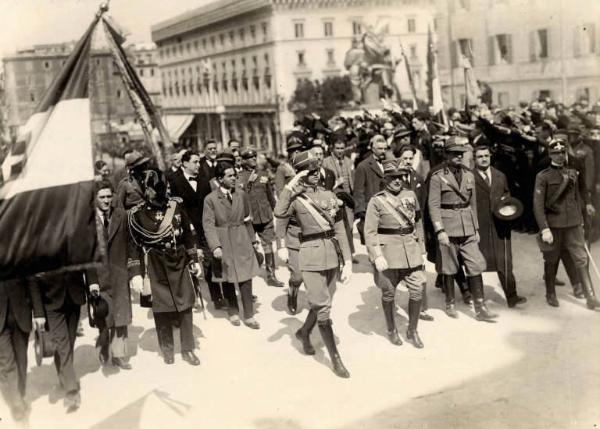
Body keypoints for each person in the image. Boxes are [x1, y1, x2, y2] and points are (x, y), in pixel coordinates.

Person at [274, 150, 353, 378]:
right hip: (310, 256)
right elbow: (279, 213)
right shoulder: (295, 199)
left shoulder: (329, 195)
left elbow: (339, 229)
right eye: (308, 171)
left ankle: (303, 332)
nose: (315, 174)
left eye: (316, 169)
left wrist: (347, 261)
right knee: (323, 307)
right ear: (299, 174)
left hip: (332, 255)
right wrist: (291, 186)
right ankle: (336, 359)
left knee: (323, 302)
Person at [128, 168, 201, 366]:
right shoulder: (137, 214)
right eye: (152, 190)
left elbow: (187, 234)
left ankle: (188, 349)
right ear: (146, 190)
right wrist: (135, 273)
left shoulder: (176, 206)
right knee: (161, 308)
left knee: (186, 306)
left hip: (177, 259)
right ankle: (167, 349)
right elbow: (134, 246)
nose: (157, 194)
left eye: (160, 189)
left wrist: (193, 258)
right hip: (154, 263)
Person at [428, 137, 498, 322]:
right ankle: (450, 302)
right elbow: (433, 206)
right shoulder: (437, 177)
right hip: (448, 226)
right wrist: (439, 230)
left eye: (461, 153)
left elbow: (472, 203)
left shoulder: (469, 175)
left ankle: (480, 307)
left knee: (475, 264)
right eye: (454, 153)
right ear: (446, 154)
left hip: (467, 226)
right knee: (449, 266)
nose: (459, 156)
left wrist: (475, 227)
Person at [364, 159, 426, 348]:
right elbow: (370, 231)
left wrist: (422, 249)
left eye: (400, 177)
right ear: (385, 179)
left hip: (411, 250)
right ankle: (391, 329)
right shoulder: (377, 201)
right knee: (389, 293)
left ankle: (412, 330)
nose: (397, 180)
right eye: (392, 177)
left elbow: (418, 223)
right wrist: (377, 255)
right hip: (388, 253)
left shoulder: (410, 195)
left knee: (417, 290)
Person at [533, 138, 600, 309]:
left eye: (562, 152)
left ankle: (591, 297)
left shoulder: (573, 174)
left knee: (581, 259)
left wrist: (581, 220)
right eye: (555, 153)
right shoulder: (543, 176)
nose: (559, 156)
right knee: (551, 259)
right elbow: (538, 205)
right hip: (554, 226)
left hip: (573, 225)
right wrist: (544, 228)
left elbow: (577, 199)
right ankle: (550, 293)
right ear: (550, 154)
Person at [202, 160, 261, 329]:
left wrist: (253, 240)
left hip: (241, 238)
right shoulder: (210, 199)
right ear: (220, 179)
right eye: (230, 176)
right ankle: (233, 311)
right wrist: (215, 246)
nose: (234, 178)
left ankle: (249, 315)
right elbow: (208, 224)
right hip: (223, 241)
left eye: (234, 175)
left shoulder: (241, 194)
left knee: (246, 278)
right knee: (227, 278)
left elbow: (248, 219)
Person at [169, 150, 226, 310]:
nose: (198, 165)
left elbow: (210, 203)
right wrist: (186, 225)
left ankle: (217, 297)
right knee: (191, 261)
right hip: (186, 230)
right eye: (195, 162)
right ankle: (192, 296)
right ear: (185, 163)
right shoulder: (173, 181)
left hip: (205, 227)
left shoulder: (203, 179)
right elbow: (174, 207)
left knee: (209, 260)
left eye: (199, 162)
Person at [87, 181, 134, 370]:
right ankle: (103, 341)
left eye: (109, 196)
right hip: (99, 275)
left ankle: (119, 354)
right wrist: (91, 280)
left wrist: (134, 271)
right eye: (102, 197)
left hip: (119, 271)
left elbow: (131, 243)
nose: (107, 201)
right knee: (103, 314)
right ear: (95, 199)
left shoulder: (121, 215)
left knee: (121, 315)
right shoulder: (88, 220)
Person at [473, 145, 526, 308]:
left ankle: (512, 296)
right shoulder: (469, 176)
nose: (483, 158)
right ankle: (478, 298)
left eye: (486, 155)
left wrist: (507, 208)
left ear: (490, 157)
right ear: (474, 159)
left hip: (500, 226)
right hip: (479, 226)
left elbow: (507, 195)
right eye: (480, 156)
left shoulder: (500, 175)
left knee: (505, 261)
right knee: (477, 262)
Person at [31, 271, 87, 411]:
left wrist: (93, 283)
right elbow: (33, 279)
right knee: (62, 343)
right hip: (50, 300)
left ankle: (65, 379)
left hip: (74, 296)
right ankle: (72, 390)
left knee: (69, 342)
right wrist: (38, 312)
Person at [397, 145, 434, 321]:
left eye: (410, 158)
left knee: (420, 269)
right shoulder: (392, 180)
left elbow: (424, 207)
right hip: (398, 233)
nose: (407, 161)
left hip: (415, 231)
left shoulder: (418, 178)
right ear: (398, 159)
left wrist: (423, 235)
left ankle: (422, 307)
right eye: (404, 158)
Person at [238, 148, 283, 288]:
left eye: (254, 157)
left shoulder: (263, 174)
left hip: (265, 216)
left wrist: (277, 210)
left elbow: (270, 195)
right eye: (249, 158)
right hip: (249, 218)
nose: (253, 160)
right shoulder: (239, 177)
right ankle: (249, 276)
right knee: (249, 247)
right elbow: (238, 196)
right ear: (243, 160)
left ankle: (271, 276)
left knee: (268, 244)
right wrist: (248, 183)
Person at [0, 278, 43, 421]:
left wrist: (38, 313)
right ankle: (17, 406)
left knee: (22, 361)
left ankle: (19, 393)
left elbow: (31, 280)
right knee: (7, 363)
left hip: (20, 314)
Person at [353, 134, 388, 244]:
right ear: (372, 149)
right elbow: (358, 191)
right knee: (373, 246)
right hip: (371, 211)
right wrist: (362, 212)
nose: (383, 151)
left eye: (385, 148)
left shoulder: (389, 164)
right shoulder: (363, 166)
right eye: (380, 148)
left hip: (387, 209)